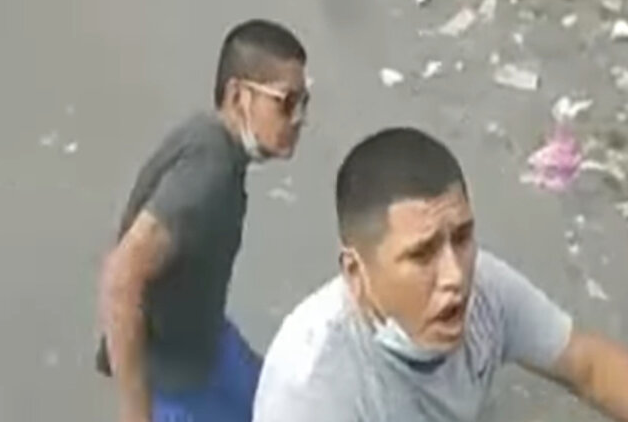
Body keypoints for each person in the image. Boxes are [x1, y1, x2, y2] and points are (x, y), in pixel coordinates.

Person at [253, 127, 628, 422]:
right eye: (422, 254)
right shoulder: (309, 390)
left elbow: (589, 365)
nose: (455, 277)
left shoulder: (484, 288)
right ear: (355, 272)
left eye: (462, 238)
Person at [96, 19, 309, 422]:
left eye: (304, 103)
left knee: (285, 406)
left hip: (209, 341)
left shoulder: (209, 140)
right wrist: (135, 413)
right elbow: (121, 279)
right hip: (178, 385)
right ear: (238, 95)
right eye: (285, 102)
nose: (298, 118)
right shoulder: (207, 174)